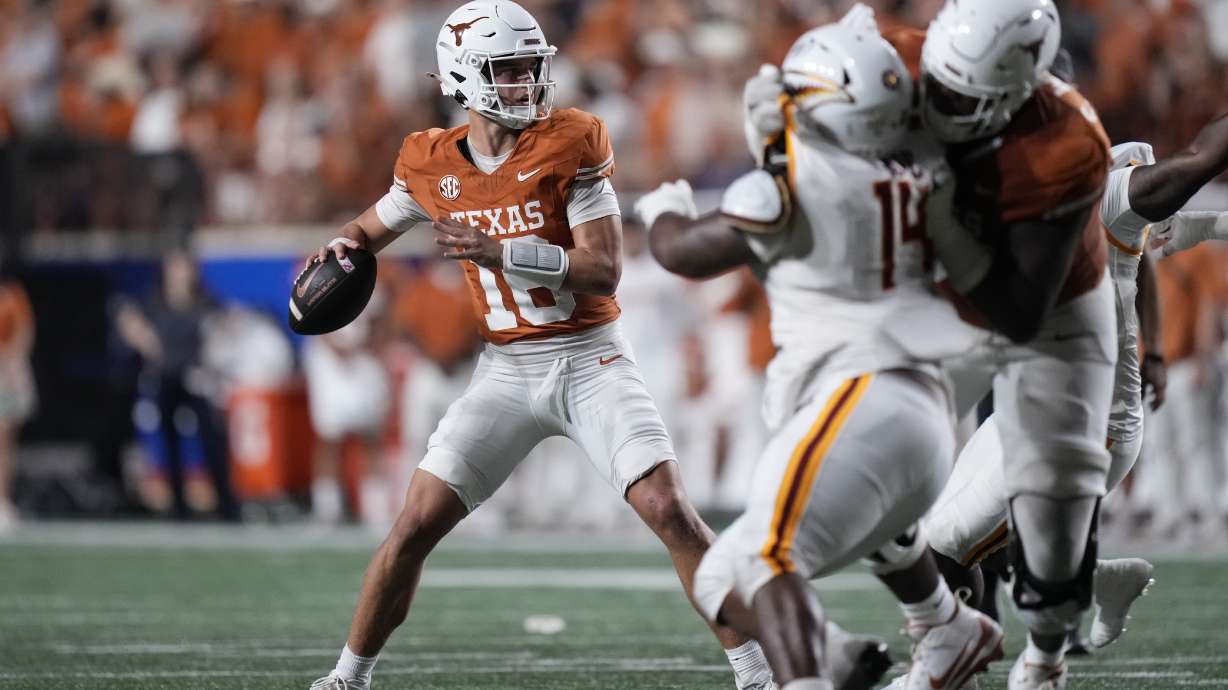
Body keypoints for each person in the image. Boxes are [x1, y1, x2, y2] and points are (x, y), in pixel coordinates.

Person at [306, 3, 776, 689]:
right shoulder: (430, 162)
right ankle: (348, 677)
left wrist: (500, 252)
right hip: (504, 372)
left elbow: (602, 269)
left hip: (592, 358)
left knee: (672, 511)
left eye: (533, 65)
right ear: (463, 79)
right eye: (509, 68)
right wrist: (339, 252)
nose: (528, 81)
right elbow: (369, 229)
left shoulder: (571, 140)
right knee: (412, 526)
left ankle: (760, 675)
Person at [636, 8, 1003, 690]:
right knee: (721, 572)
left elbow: (682, 253)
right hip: (919, 408)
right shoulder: (926, 178)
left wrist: (661, 208)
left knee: (765, 559)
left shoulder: (787, 187)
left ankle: (815, 672)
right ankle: (939, 625)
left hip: (864, 398)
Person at [879, 1, 1118, 687]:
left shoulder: (1067, 141)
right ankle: (944, 638)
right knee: (863, 451)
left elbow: (1018, 311)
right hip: (936, 298)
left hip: (1053, 320)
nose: (944, 104)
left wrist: (936, 216)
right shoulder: (892, 60)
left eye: (965, 95)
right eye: (939, 84)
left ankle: (1044, 656)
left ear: (1023, 86)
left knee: (1052, 524)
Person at [116, 248, 240, 522]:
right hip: (166, 375)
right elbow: (127, 317)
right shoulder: (154, 301)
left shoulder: (204, 301)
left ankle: (226, 502)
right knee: (169, 438)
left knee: (211, 437)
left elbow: (225, 323)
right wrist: (142, 338)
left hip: (197, 377)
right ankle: (177, 504)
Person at [0, 259, 35, 531]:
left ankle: (2, 500)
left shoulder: (12, 294)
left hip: (6, 374)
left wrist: (9, 362)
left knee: (4, 441)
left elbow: (24, 334)